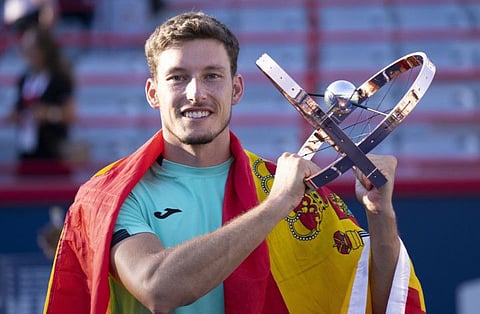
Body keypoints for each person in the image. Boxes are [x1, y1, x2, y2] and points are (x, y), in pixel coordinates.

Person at [43, 11, 425, 314]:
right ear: (152, 93)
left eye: (212, 76)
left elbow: (375, 303)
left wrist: (380, 214)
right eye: (177, 78)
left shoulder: (285, 187)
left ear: (236, 88)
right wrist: (274, 206)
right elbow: (157, 288)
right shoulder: (111, 194)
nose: (196, 93)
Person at [8, 27, 75, 175]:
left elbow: (70, 115)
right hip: (27, 150)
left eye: (30, 48)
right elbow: (18, 109)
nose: (25, 52)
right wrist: (15, 116)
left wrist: (48, 114)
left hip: (51, 152)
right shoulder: (24, 78)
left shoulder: (59, 79)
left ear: (42, 51)